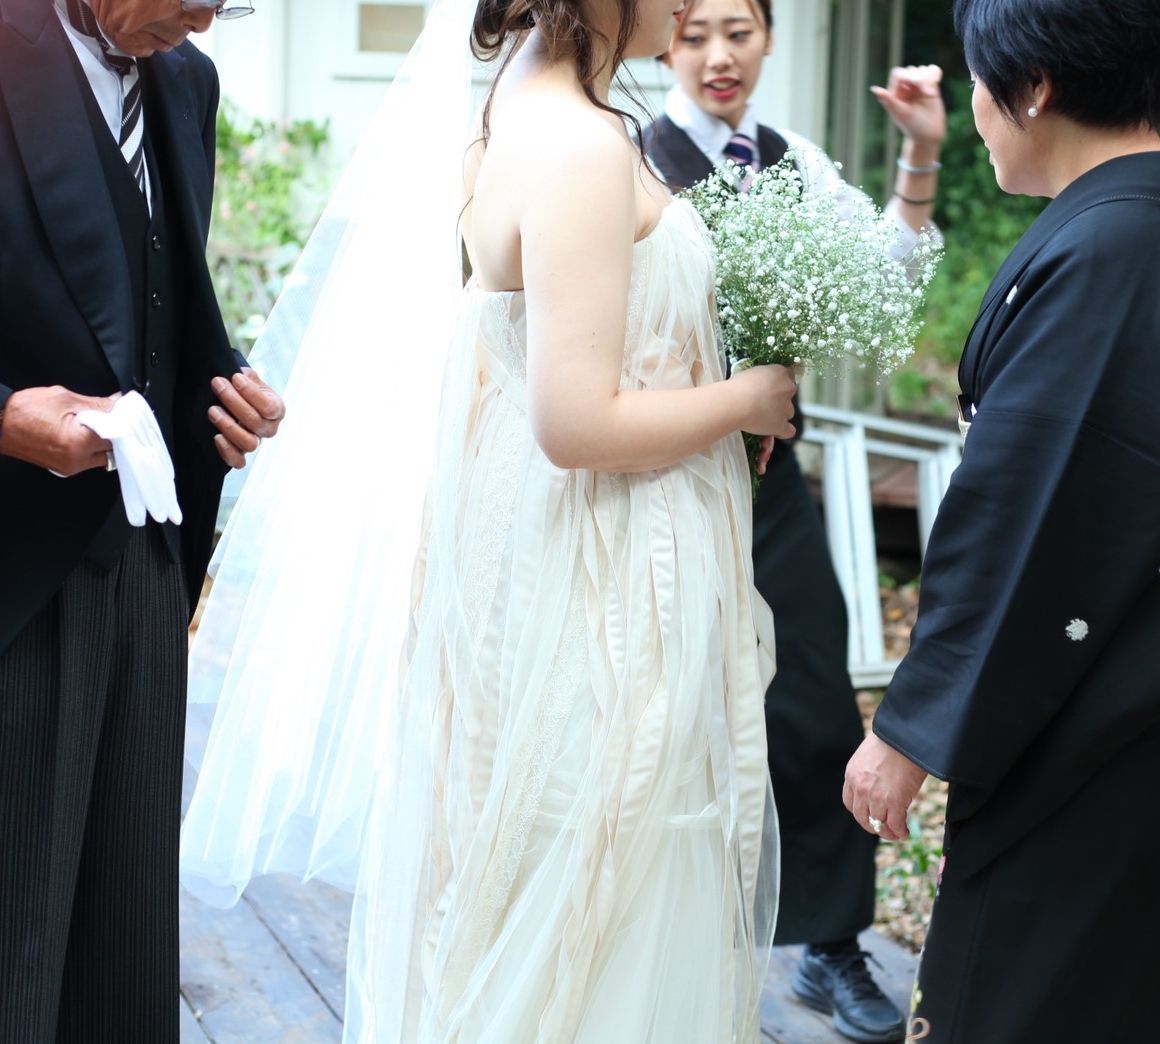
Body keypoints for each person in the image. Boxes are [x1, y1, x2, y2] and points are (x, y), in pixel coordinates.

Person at [180, 0, 798, 1039]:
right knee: (590, 888)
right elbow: (575, 421)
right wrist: (746, 399)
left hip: (558, 556)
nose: (689, 6)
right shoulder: (579, 147)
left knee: (544, 878)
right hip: (596, 586)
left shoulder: (522, 94)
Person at [842, 0, 1160, 1040]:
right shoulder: (1124, 224)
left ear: (1035, 88)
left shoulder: (1114, 246)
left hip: (1101, 713)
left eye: (980, 80)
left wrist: (909, 726)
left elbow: (1027, 512)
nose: (975, 106)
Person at [641, 2, 944, 1040]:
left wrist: (918, 153)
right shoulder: (632, 155)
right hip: (657, 482)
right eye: (693, 34)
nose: (717, 55)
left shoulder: (792, 160)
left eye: (738, 30)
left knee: (813, 701)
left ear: (767, 37)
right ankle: (660, 949)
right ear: (664, 43)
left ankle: (830, 945)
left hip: (771, 492)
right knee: (663, 715)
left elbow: (882, 271)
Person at [0, 0, 285, 1040]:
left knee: (122, 955)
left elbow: (154, 299)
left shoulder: (185, 80)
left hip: (147, 566)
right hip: (17, 582)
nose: (205, 18)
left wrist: (226, 392)